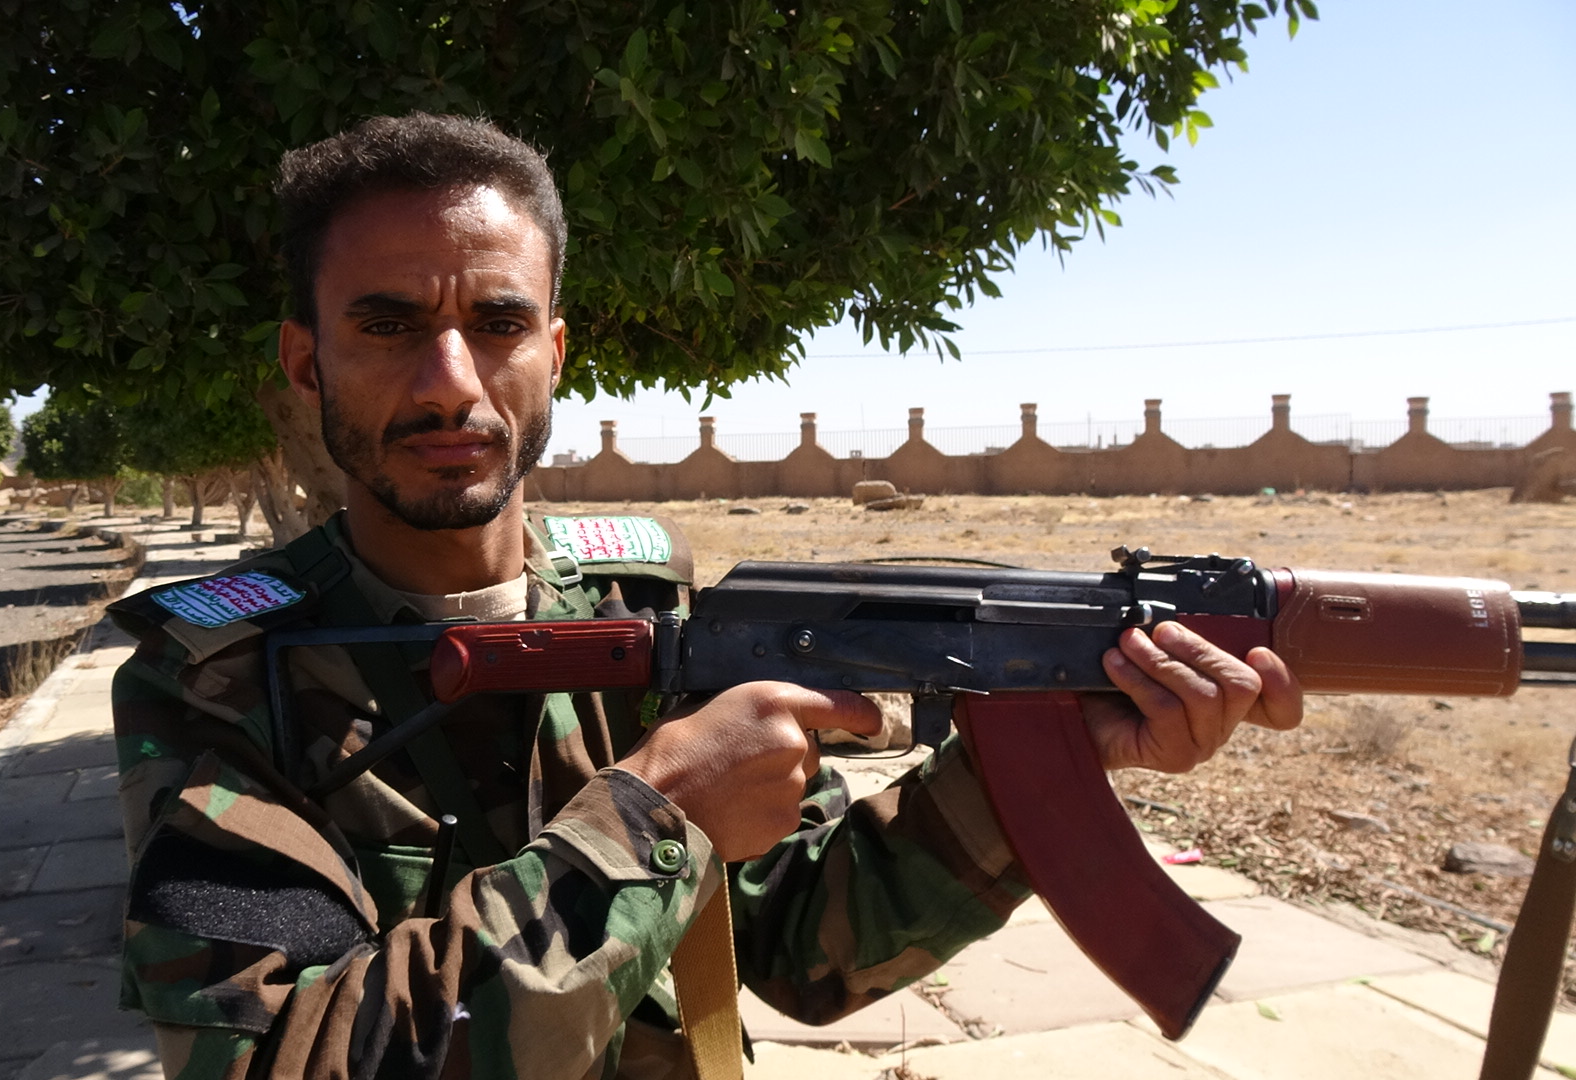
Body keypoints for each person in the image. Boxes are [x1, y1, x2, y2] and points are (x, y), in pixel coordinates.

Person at [107, 112, 1304, 1079]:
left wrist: (1039, 765)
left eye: (498, 322)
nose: (449, 382)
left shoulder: (648, 608)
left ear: (553, 354)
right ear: (307, 361)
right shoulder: (215, 675)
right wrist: (657, 813)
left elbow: (807, 944)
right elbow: (275, 1060)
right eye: (388, 326)